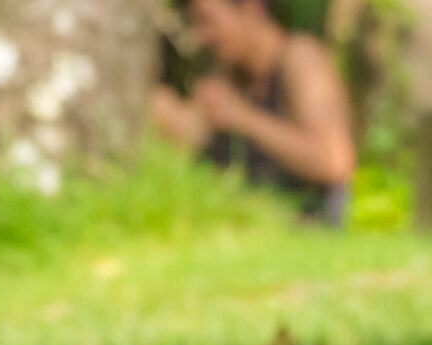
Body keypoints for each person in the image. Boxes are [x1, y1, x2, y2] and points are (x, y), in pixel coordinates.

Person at [152, 0, 357, 224]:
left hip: (308, 225)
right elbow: (196, 136)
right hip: (248, 224)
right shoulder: (232, 72)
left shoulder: (300, 57)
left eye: (207, 20)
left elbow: (333, 162)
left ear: (250, 8)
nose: (201, 37)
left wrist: (242, 118)